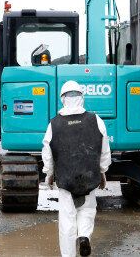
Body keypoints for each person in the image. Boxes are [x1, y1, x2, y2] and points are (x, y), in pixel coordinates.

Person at [41, 80, 111, 257]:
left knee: (67, 220)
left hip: (65, 179)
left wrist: (49, 173)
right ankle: (84, 236)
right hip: (89, 177)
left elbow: (47, 152)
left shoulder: (54, 124)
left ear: (63, 99)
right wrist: (102, 171)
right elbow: (104, 149)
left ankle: (69, 255)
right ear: (82, 97)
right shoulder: (96, 120)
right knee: (87, 211)